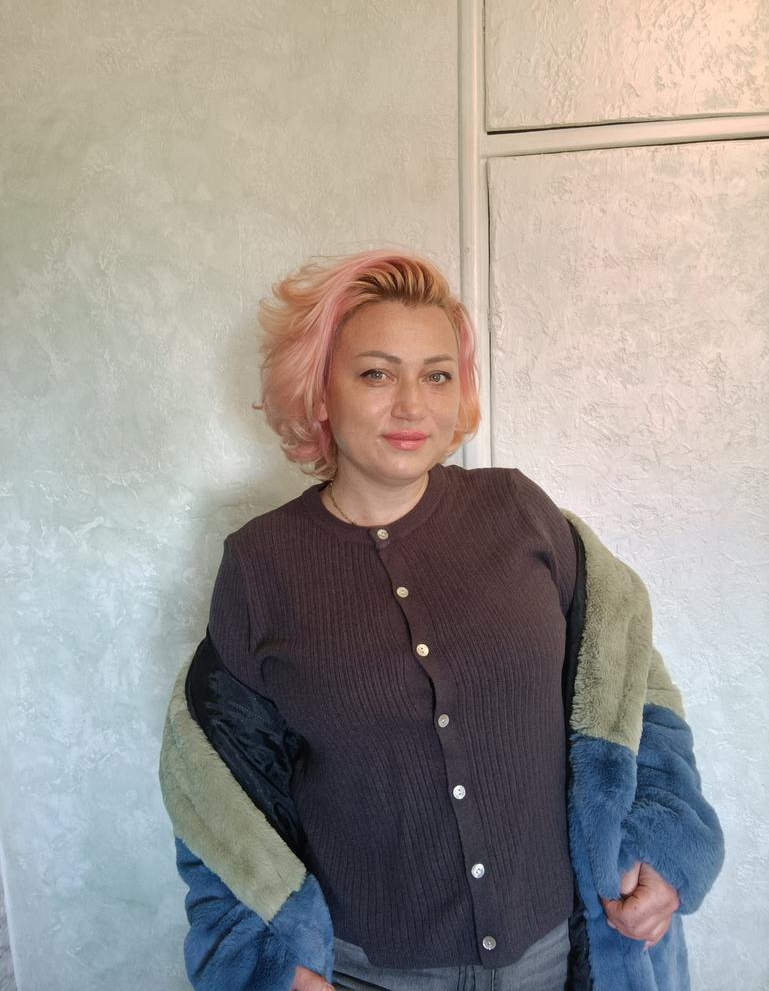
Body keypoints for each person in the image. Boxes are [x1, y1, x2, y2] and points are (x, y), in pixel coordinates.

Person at [159, 249, 724, 991]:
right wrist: (271, 964)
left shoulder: (519, 513)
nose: (411, 406)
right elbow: (219, 788)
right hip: (364, 972)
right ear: (320, 391)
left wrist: (664, 841)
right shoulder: (261, 564)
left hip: (558, 957)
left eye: (436, 375)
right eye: (376, 374)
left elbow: (628, 690)